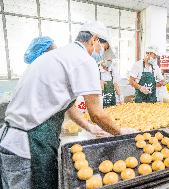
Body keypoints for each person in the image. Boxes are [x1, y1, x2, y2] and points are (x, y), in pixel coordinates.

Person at [0, 21, 132, 189]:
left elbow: (67, 105)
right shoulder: (84, 60)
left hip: (8, 142)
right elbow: (97, 114)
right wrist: (120, 132)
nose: (101, 54)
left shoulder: (56, 56)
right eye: (103, 48)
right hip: (28, 147)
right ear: (95, 39)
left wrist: (89, 127)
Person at [92, 37, 123, 107]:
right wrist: (98, 84)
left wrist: (120, 96)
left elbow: (116, 84)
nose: (109, 62)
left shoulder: (112, 70)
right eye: (108, 60)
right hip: (98, 104)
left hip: (111, 104)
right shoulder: (95, 69)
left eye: (110, 60)